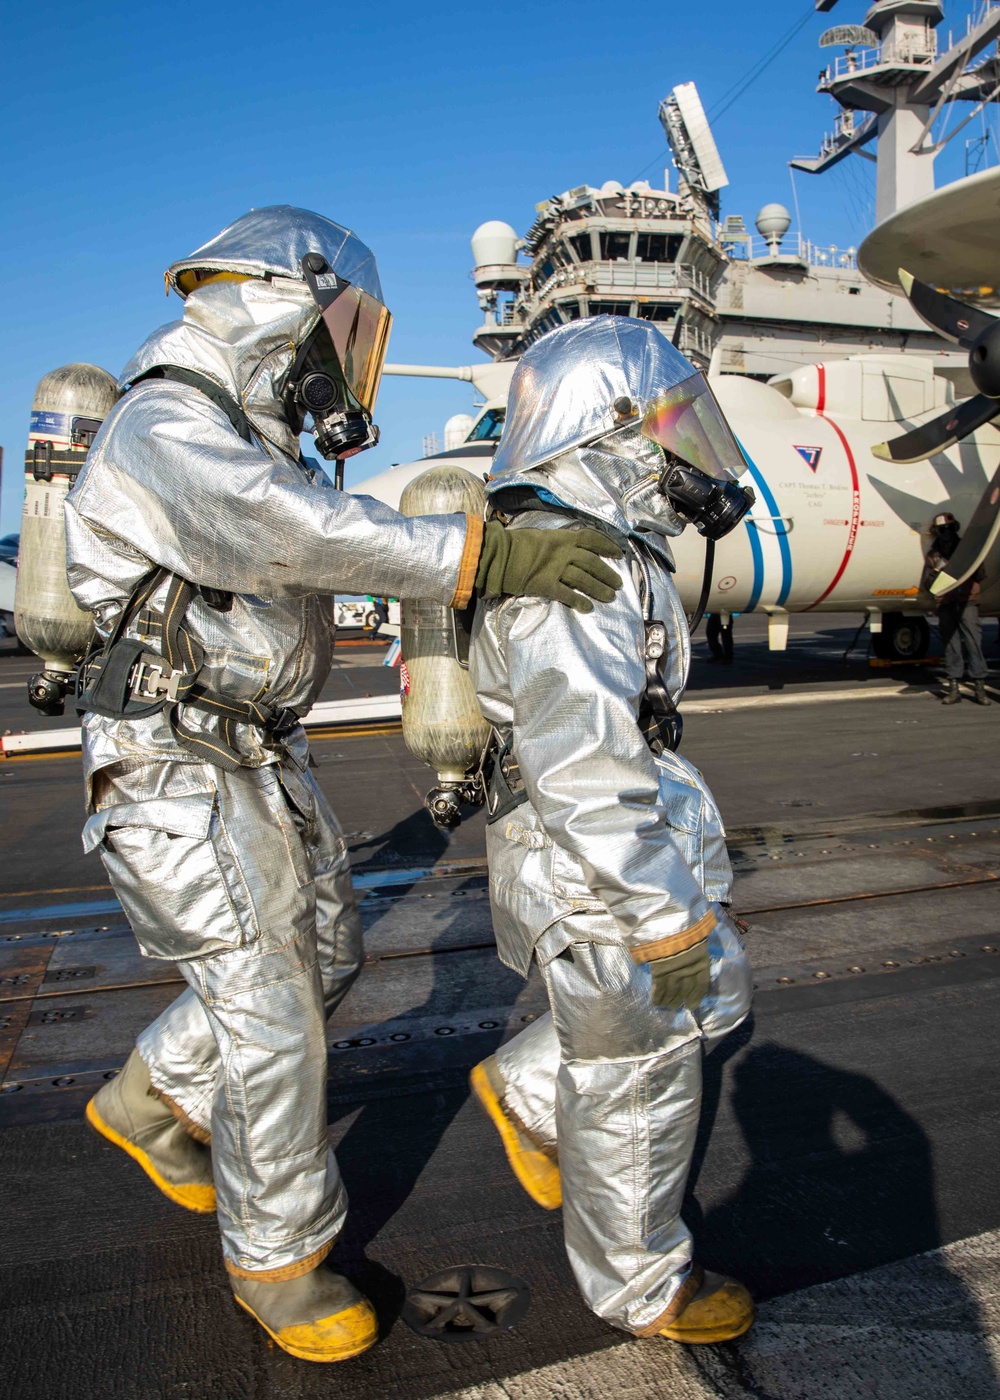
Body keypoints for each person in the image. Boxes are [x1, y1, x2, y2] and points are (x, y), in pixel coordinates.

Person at [63, 206, 625, 1364]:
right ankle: (279, 1258)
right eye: (345, 326)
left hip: (254, 749)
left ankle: (149, 1100)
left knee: (323, 957)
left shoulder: (241, 429)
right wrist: (478, 554)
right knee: (268, 1012)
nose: (346, 354)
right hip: (173, 760)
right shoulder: (168, 422)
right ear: (289, 299)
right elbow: (286, 533)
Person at [467, 316, 756, 1345]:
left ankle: (532, 1088)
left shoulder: (592, 545)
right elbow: (584, 766)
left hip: (607, 851)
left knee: (704, 1004)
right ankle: (641, 1282)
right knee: (643, 1069)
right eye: (670, 422)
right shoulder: (573, 564)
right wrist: (661, 915)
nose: (689, 448)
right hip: (598, 869)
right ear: (611, 430)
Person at [923, 512, 990, 706]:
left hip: (967, 601)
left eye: (949, 529)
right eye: (942, 530)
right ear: (936, 532)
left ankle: (979, 687)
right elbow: (928, 582)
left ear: (955, 529)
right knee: (952, 646)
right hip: (946, 603)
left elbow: (980, 573)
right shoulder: (934, 555)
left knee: (973, 644)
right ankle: (954, 687)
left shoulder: (968, 550)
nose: (946, 533)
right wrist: (939, 575)